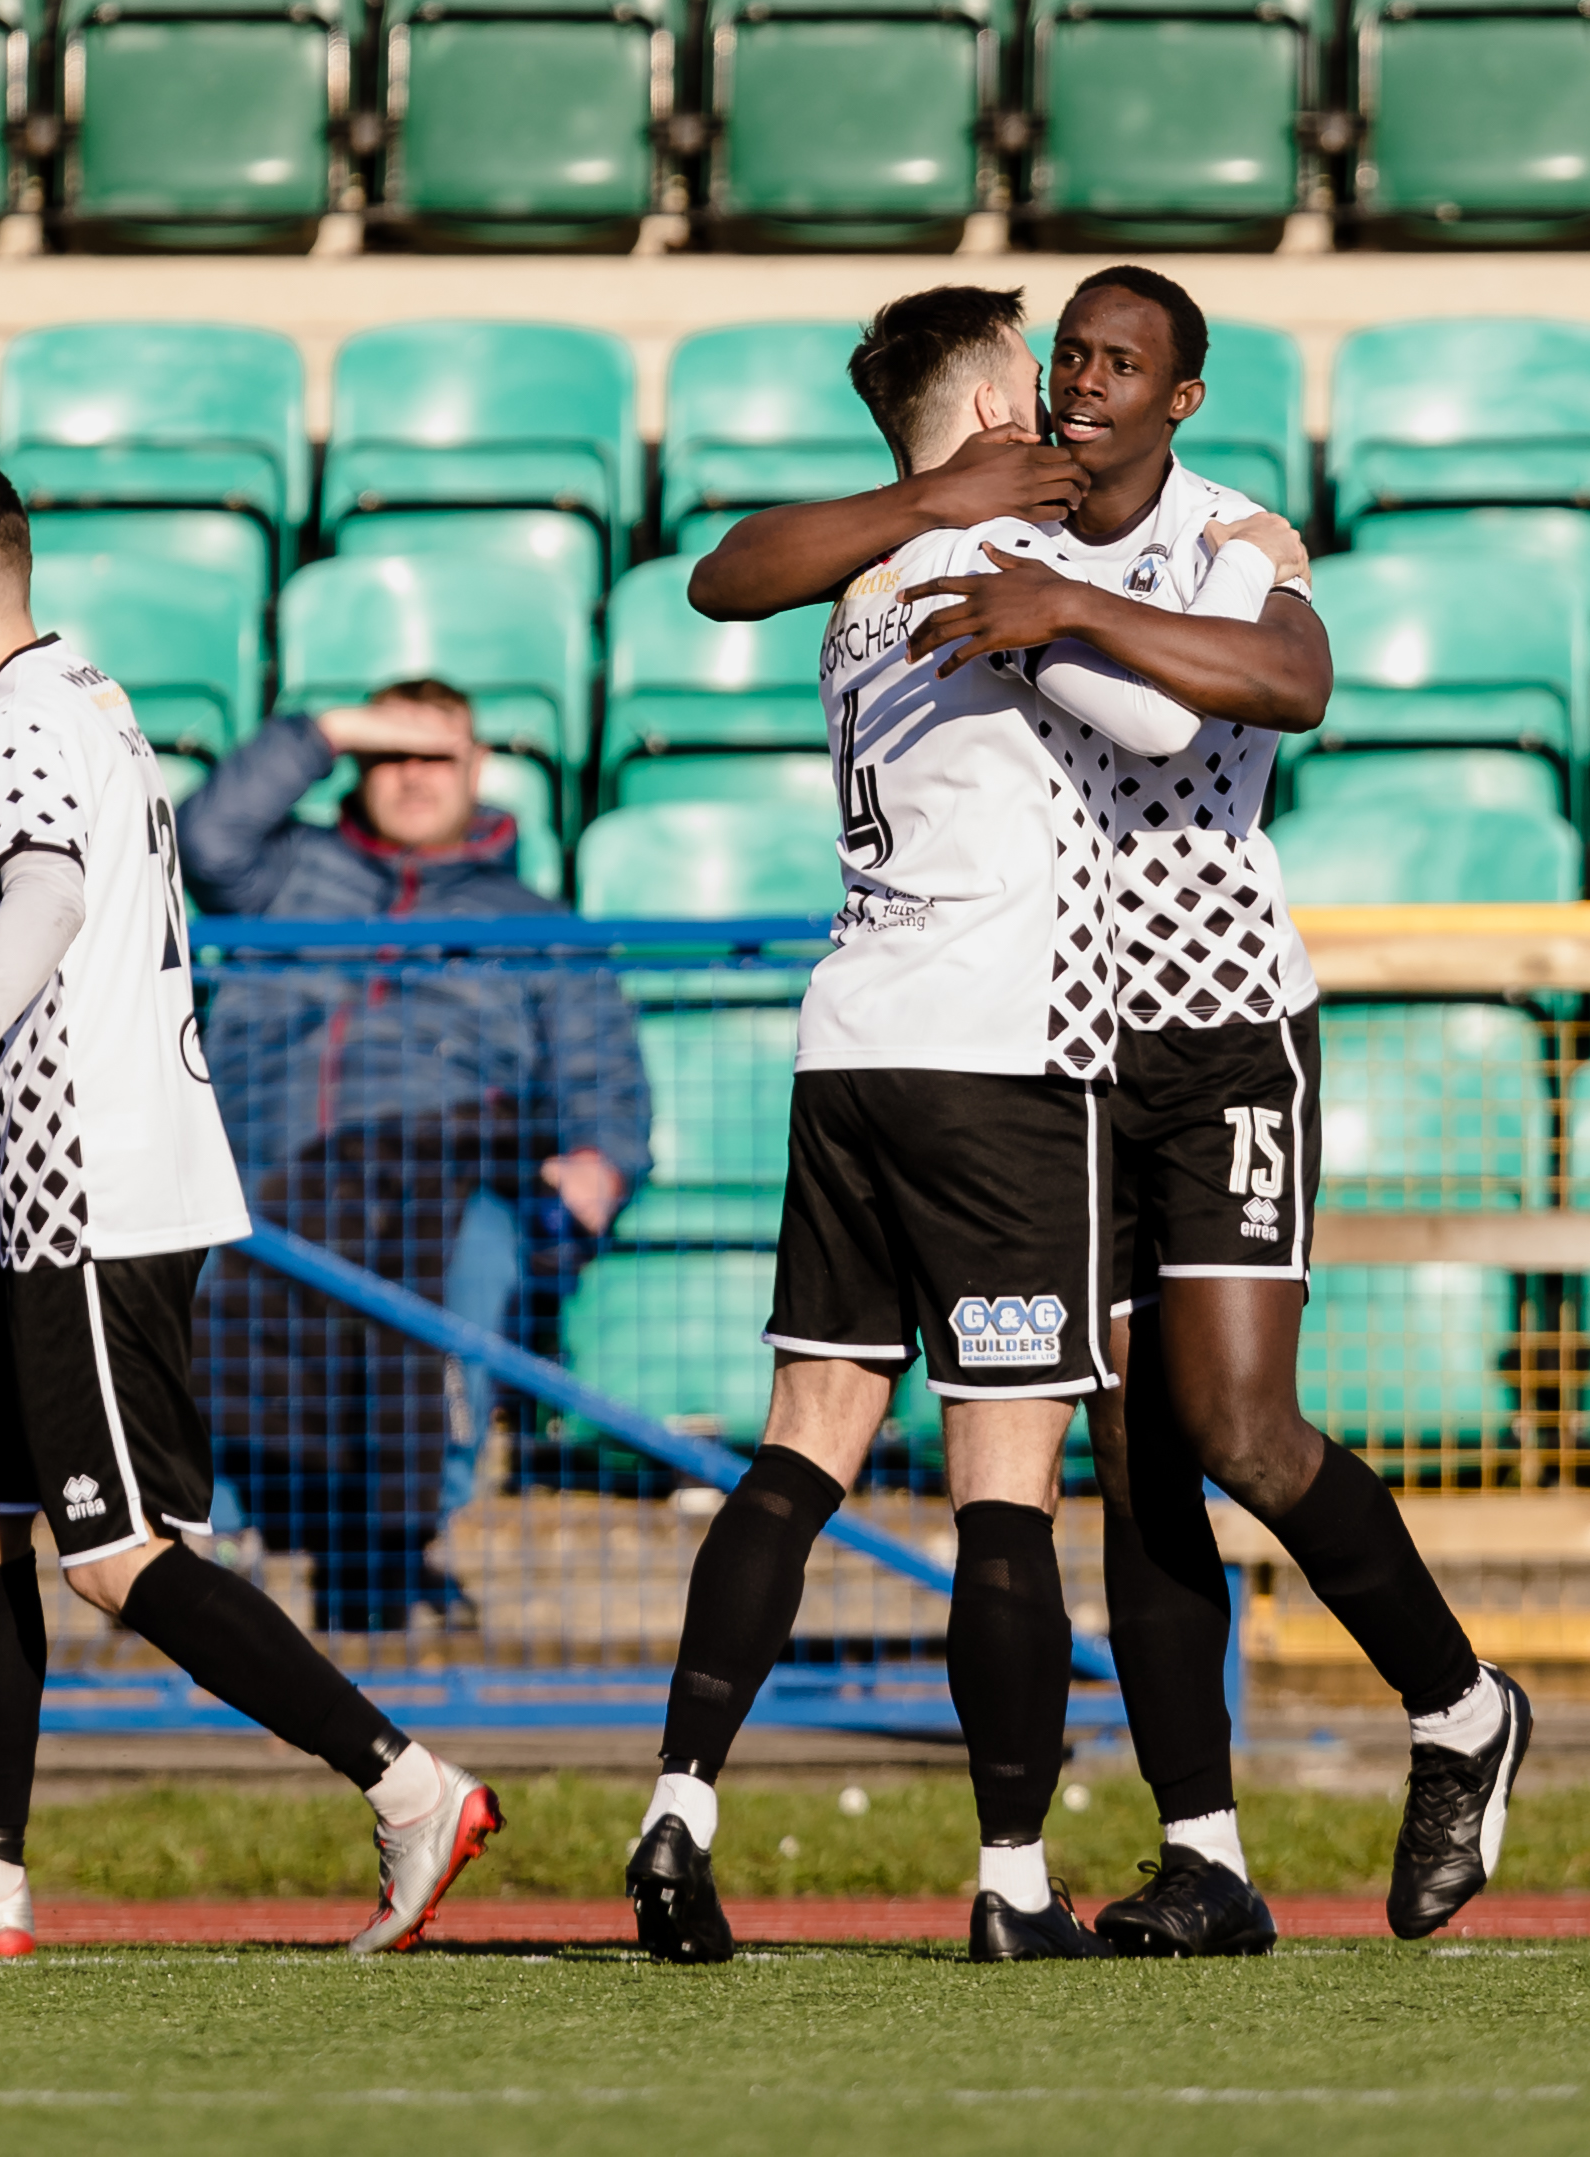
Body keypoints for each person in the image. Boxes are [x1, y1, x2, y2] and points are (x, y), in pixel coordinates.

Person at [687, 267, 1532, 1955]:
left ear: (1178, 399)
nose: (1082, 380)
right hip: (1054, 1052)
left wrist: (1061, 614)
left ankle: (1460, 1704)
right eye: (1066, 351)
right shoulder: (994, 524)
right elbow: (731, 575)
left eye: (1118, 361)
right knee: (1137, 1456)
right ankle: (1204, 1854)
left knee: (1230, 1428)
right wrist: (955, 530)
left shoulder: (1228, 531)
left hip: (1217, 1028)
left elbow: (1281, 686)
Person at [0, 457, 501, 1960]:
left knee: (115, 1556)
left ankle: (407, 1785)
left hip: (92, 1188)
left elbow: (51, 895)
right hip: (58, 1190)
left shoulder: (17, 718)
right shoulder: (81, 688)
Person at [623, 287, 1191, 1966]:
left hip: (850, 1045)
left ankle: (680, 1804)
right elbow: (1174, 718)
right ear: (990, 403)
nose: (1065, 408)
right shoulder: (985, 574)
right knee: (1002, 1485)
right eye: (1041, 381)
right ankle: (1013, 1878)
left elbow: (726, 572)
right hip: (995, 1058)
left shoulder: (869, 578)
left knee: (804, 1445)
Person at [176, 680, 650, 1633]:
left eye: (436, 755)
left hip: (449, 1176)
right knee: (213, 1261)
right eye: (389, 752)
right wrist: (328, 727)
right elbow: (204, 835)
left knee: (469, 1258)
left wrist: (599, 1160)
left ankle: (400, 1539)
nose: (413, 775)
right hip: (269, 1171)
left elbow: (602, 1072)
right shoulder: (288, 873)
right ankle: (208, 1547)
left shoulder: (534, 919)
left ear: (478, 769)